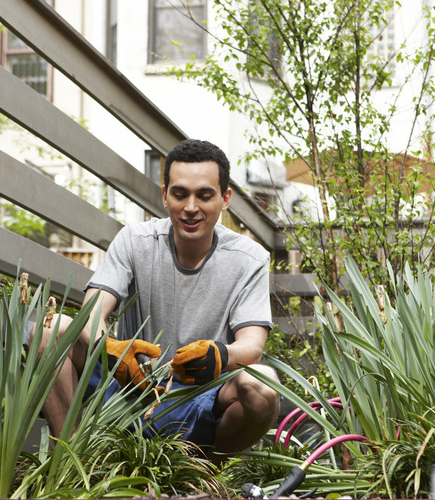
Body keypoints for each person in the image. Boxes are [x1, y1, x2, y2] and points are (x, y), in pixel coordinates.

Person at [32, 139, 280, 461]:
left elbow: (253, 345)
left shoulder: (250, 258)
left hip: (198, 402)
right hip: (127, 393)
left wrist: (220, 355)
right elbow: (91, 312)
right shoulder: (135, 241)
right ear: (165, 195)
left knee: (263, 384)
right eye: (180, 194)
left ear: (225, 199)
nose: (191, 207)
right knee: (52, 331)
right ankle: (76, 463)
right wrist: (113, 351)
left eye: (205, 195)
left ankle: (207, 475)